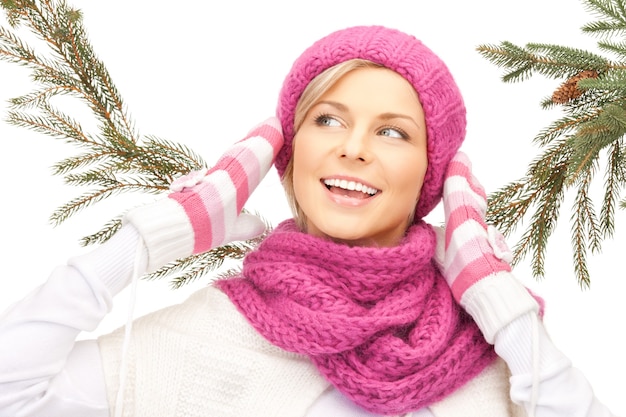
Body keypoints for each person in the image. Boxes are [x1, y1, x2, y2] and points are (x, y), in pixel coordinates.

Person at [0, 25, 618, 417]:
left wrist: (493, 295)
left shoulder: (489, 354)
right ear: (289, 156)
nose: (353, 148)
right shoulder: (203, 336)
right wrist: (147, 239)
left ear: (431, 177)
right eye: (327, 119)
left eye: (393, 132)